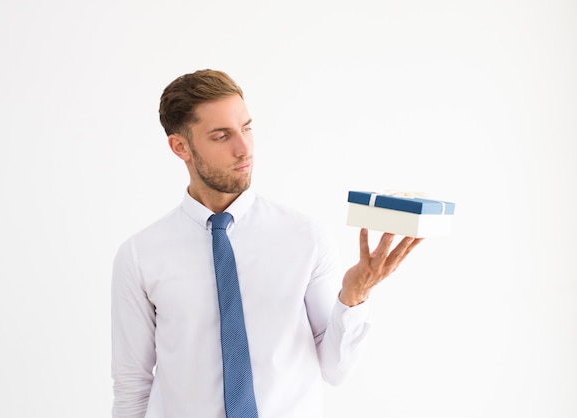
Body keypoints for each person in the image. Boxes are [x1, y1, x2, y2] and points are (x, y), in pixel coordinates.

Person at [111, 69, 423, 418]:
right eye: (221, 136)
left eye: (246, 128)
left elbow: (335, 369)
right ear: (180, 146)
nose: (243, 148)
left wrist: (354, 295)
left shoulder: (306, 238)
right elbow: (132, 385)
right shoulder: (141, 255)